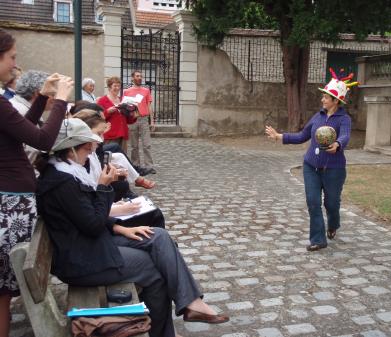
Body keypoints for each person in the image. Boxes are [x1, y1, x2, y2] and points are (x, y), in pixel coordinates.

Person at [35, 118, 229, 337]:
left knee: (159, 236)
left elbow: (83, 216)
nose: (91, 151)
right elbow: (91, 224)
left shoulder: (66, 173)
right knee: (155, 271)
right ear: (70, 150)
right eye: (86, 147)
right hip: (82, 261)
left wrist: (120, 227)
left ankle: (192, 303)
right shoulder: (62, 182)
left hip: (90, 246)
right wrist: (102, 187)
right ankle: (164, 333)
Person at [0, 28, 73, 337]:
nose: (16, 65)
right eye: (12, 57)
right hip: (9, 204)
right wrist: (60, 101)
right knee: (2, 290)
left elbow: (22, 129)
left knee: (2, 291)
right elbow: (42, 140)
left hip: (13, 199)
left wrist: (42, 95)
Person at [266, 69, 356, 252]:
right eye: (323, 97)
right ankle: (318, 239)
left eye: (326, 97)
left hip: (334, 170)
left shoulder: (344, 119)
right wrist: (279, 136)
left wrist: (338, 144)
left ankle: (333, 225)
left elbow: (345, 136)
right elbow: (302, 136)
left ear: (336, 101)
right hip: (311, 166)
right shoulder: (318, 116)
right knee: (313, 202)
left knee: (332, 203)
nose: (322, 100)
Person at [72, 109, 161, 228]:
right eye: (98, 134)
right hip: (98, 229)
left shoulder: (89, 157)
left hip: (102, 215)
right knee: (155, 216)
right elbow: (91, 218)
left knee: (154, 215)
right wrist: (118, 213)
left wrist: (114, 205)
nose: (102, 139)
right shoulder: (69, 173)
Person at [123, 70, 156, 174]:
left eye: (141, 76)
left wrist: (152, 121)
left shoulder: (146, 91)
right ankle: (135, 165)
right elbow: (125, 106)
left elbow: (149, 106)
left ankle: (149, 166)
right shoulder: (127, 91)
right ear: (132, 78)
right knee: (134, 145)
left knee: (147, 144)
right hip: (133, 120)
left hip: (144, 119)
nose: (140, 78)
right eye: (137, 76)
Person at [97, 76, 136, 152]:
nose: (117, 88)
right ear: (109, 87)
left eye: (119, 86)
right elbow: (98, 118)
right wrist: (108, 112)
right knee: (110, 158)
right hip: (110, 135)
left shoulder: (122, 100)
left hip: (122, 134)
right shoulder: (102, 101)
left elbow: (128, 120)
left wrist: (133, 115)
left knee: (122, 158)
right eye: (115, 86)